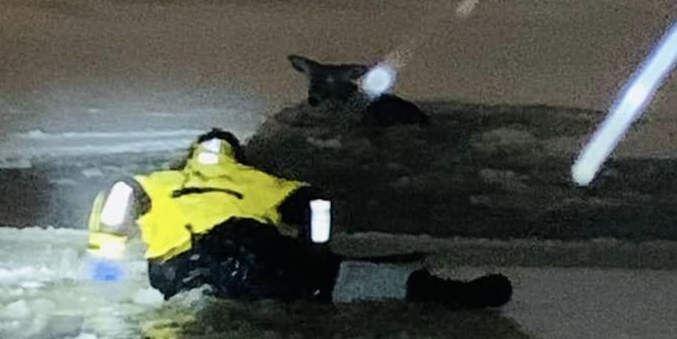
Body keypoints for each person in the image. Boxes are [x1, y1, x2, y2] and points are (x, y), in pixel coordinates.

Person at [88, 131, 511, 309]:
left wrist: (106, 259)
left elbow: (121, 193)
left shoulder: (162, 181)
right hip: (256, 252)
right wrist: (316, 253)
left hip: (181, 264)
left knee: (212, 305)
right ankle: (448, 293)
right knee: (336, 280)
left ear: (191, 154)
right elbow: (316, 202)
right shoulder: (256, 179)